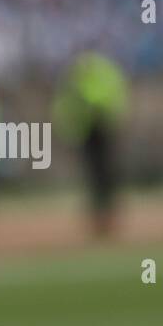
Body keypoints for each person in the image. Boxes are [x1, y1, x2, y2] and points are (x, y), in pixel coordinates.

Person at [53, 52, 129, 238]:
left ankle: (107, 216)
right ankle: (98, 217)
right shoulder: (78, 80)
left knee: (104, 175)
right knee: (95, 176)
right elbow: (66, 108)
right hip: (88, 131)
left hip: (100, 129)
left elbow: (115, 101)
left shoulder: (95, 77)